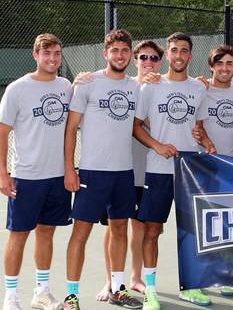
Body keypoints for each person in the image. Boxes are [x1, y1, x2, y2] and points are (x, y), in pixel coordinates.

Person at [132, 32, 214, 309]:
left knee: (192, 232)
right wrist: (156, 145)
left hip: (190, 170)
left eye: (184, 51)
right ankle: (151, 291)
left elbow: (199, 129)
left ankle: (191, 287)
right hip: (158, 170)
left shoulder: (199, 88)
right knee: (152, 230)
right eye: (174, 50)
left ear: (190, 55)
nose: (178, 55)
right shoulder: (150, 87)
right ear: (167, 55)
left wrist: (207, 143)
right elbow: (135, 126)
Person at [63, 29, 142, 310]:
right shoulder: (88, 82)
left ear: (130, 55)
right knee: (80, 233)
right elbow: (71, 128)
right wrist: (69, 169)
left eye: (124, 50)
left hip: (124, 173)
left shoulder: (135, 86)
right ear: (105, 53)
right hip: (91, 173)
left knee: (120, 228)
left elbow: (135, 126)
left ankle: (118, 290)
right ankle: (71, 296)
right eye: (115, 50)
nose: (119, 55)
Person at [0, 33, 72, 310]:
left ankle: (41, 291)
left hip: (57, 177)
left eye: (56, 53)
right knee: (18, 234)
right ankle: (11, 296)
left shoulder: (66, 86)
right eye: (47, 54)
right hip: (25, 177)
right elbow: (2, 132)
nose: (52, 59)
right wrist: (3, 173)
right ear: (35, 55)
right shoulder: (17, 89)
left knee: (46, 233)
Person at [92, 40, 165, 302]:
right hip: (120, 168)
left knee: (142, 227)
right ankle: (110, 280)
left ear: (161, 61)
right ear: (135, 61)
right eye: (143, 57)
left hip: (152, 169)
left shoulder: (164, 88)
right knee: (113, 226)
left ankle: (135, 278)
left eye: (154, 58)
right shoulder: (126, 86)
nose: (148, 62)